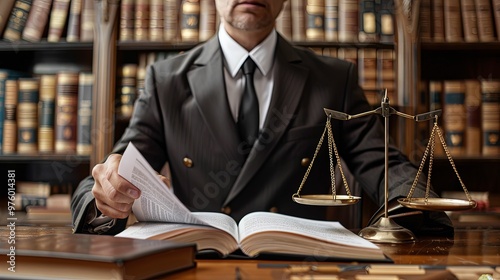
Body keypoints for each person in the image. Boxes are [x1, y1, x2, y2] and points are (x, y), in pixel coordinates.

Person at [71, 0, 452, 236]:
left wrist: (412, 204)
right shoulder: (166, 80)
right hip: (197, 265)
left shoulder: (334, 79)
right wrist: (105, 194)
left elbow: (383, 165)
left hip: (299, 267)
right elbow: (115, 171)